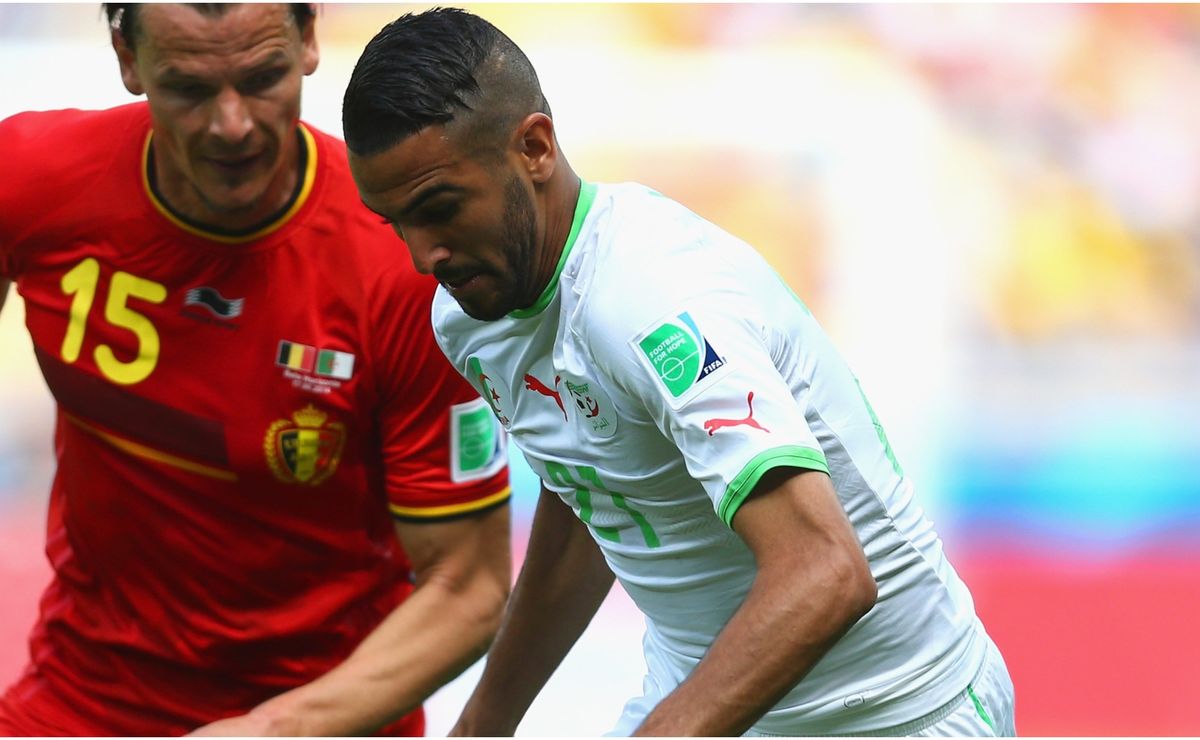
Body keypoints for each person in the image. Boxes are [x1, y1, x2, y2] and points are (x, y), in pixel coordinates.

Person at [342, 7, 1017, 737]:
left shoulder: (649, 297)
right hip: (708, 699)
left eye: (440, 209)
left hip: (897, 712)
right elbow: (592, 487)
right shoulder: (468, 315)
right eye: (396, 223)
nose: (423, 257)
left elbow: (826, 571)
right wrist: (484, 724)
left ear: (534, 147)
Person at [0, 4, 513, 735]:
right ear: (127, 58)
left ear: (309, 40)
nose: (232, 125)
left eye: (262, 78)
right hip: (77, 703)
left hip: (323, 720)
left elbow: (469, 588)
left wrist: (274, 730)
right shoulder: (30, 176)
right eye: (190, 88)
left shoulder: (408, 269)